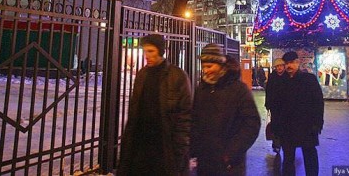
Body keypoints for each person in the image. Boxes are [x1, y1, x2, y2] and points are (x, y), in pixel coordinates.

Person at [117, 34, 192, 176]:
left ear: (160, 51)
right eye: (145, 51)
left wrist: (179, 148)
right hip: (141, 145)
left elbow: (185, 116)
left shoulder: (177, 76)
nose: (146, 55)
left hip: (164, 146)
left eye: (151, 51)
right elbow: (134, 112)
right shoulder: (142, 75)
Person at [190, 44, 260, 176]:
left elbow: (251, 124)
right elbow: (195, 120)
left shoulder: (239, 90)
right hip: (205, 161)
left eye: (209, 66)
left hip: (229, 165)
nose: (206, 70)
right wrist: (195, 148)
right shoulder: (202, 89)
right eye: (203, 66)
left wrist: (230, 153)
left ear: (220, 64)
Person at [276, 51, 324, 176]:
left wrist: (317, 124)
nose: (288, 66)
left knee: (309, 156)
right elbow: (278, 106)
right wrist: (277, 125)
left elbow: (318, 102)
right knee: (288, 159)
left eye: (291, 62)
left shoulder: (309, 79)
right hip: (287, 127)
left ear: (298, 63)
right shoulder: (281, 82)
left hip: (307, 126)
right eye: (286, 63)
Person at [265, 58, 287, 153]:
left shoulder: (287, 76)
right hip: (274, 106)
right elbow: (268, 90)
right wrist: (267, 104)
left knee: (285, 124)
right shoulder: (272, 76)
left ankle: (284, 142)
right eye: (277, 66)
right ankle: (276, 144)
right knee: (275, 125)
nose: (279, 68)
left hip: (286, 106)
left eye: (280, 66)